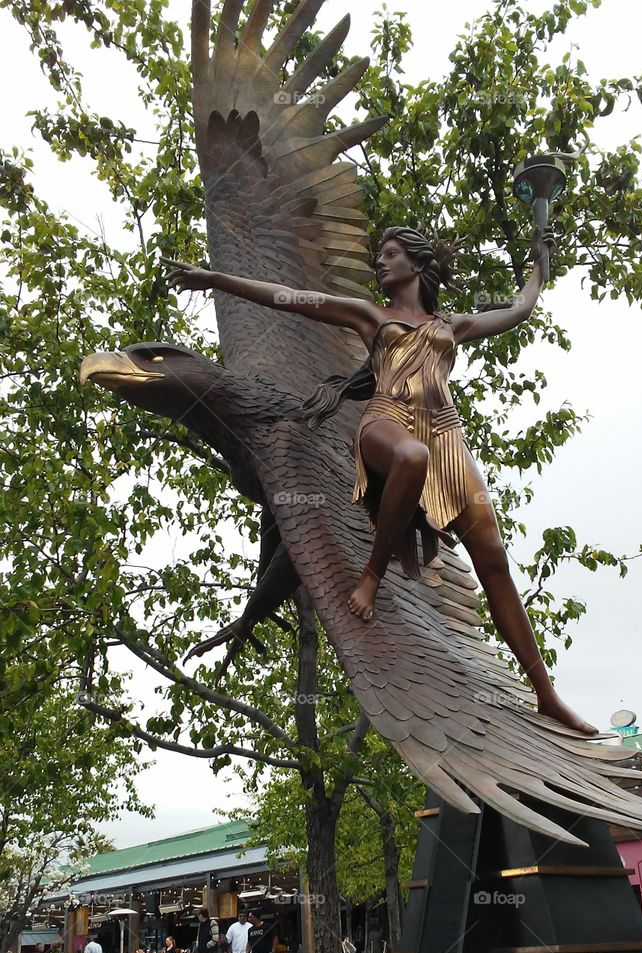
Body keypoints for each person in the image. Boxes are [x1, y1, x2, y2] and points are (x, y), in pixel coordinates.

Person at [167, 227, 595, 736]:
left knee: (493, 557)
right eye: (378, 257)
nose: (380, 264)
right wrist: (215, 278)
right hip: (385, 423)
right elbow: (291, 299)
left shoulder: (451, 326)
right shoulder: (371, 316)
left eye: (390, 255)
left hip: (447, 438)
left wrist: (540, 265)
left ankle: (545, 694)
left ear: (418, 264)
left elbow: (520, 310)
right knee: (410, 458)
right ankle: (373, 571)